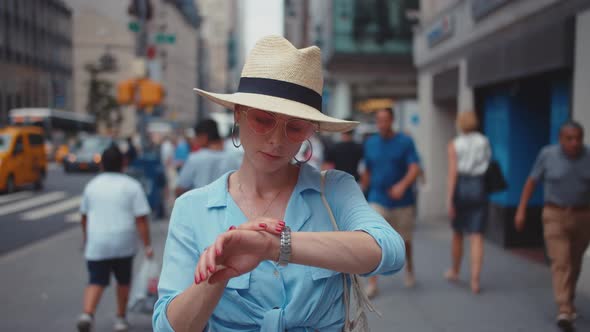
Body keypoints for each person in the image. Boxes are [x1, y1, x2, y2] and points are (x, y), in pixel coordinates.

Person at [153, 35, 405, 331]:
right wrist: (217, 274)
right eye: (263, 120)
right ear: (239, 114)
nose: (276, 139)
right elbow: (167, 326)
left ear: (311, 130)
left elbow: (389, 250)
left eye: (295, 127)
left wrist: (274, 246)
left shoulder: (334, 189)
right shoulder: (192, 208)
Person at [515, 121, 590, 331]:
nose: (574, 143)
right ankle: (564, 308)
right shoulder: (547, 155)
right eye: (569, 138)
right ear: (560, 139)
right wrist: (521, 209)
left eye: (578, 138)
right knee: (561, 261)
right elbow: (531, 182)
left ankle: (569, 300)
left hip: (583, 215)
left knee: (574, 263)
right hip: (554, 214)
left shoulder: (588, 157)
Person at [77, 145, 153, 332]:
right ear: (123, 163)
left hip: (97, 241)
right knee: (123, 281)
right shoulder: (132, 185)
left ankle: (87, 313)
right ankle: (120, 318)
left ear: (101, 164)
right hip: (123, 241)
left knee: (96, 280)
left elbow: (84, 216)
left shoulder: (92, 186)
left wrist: (86, 239)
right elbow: (141, 219)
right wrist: (147, 245)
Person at [362, 107, 421, 297]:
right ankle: (373, 282)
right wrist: (361, 191)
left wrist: (403, 185)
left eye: (385, 120)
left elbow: (414, 168)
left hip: (402, 201)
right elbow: (367, 170)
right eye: (379, 120)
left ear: (392, 120)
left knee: (405, 241)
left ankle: (409, 267)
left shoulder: (405, 142)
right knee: (375, 239)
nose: (382, 124)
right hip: (377, 197)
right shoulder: (370, 143)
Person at [445, 111, 491, 294]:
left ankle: (455, 271)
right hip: (479, 186)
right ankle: (475, 280)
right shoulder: (484, 141)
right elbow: (488, 162)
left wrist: (449, 199)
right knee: (477, 235)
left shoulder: (454, 144)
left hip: (462, 187)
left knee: (458, 233)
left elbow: (453, 172)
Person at [175, 119, 241, 197]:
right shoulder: (232, 158)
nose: (194, 141)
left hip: (199, 205)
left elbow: (181, 187)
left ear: (204, 137)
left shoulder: (195, 158)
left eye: (196, 137)